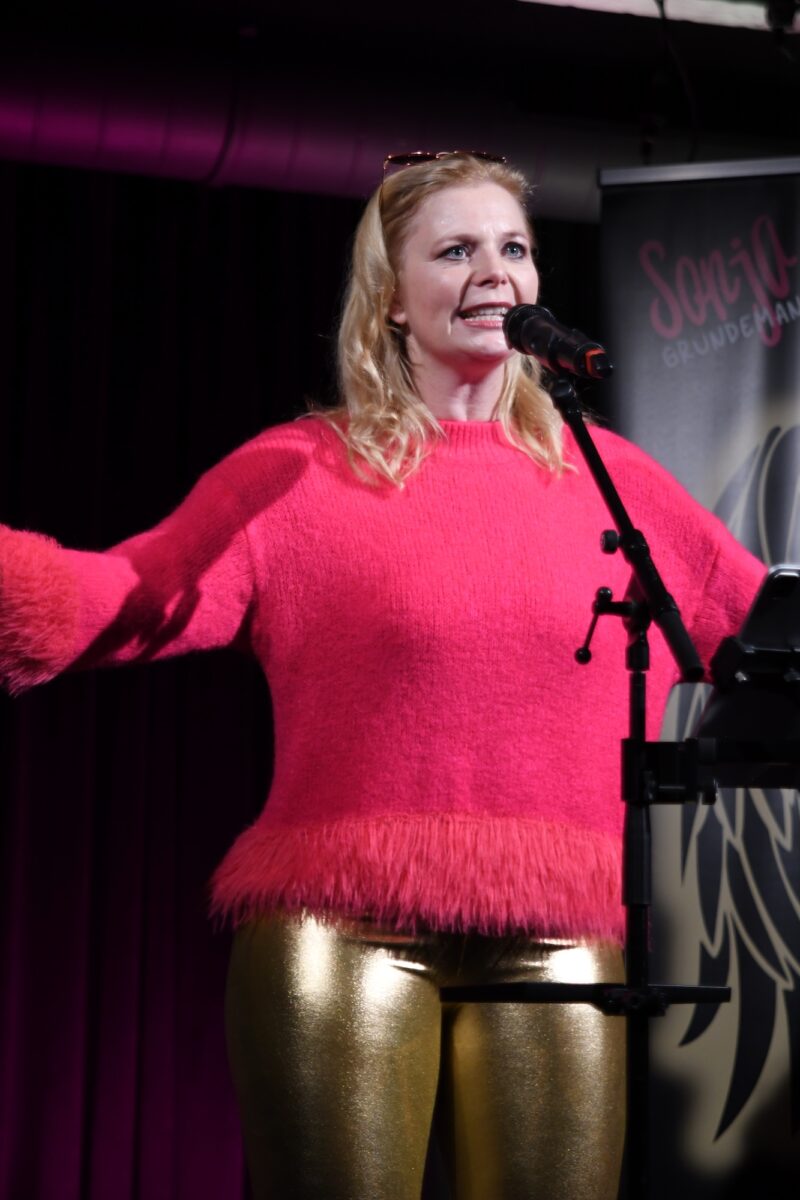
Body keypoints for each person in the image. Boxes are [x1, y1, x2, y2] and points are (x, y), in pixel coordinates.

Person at [0, 152, 765, 1200]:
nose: (494, 272)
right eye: (455, 251)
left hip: (559, 934)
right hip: (340, 931)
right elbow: (129, 596)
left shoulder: (609, 479)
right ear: (392, 299)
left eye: (513, 248)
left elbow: (763, 631)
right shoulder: (299, 474)